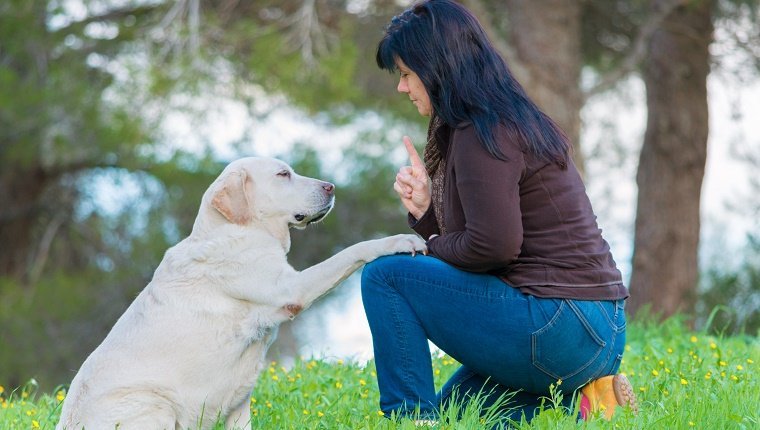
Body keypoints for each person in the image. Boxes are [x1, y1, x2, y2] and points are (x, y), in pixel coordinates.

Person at [360, 0, 638, 424]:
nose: (402, 88)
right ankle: (590, 400)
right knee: (459, 413)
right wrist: (427, 214)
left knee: (385, 276)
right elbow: (486, 242)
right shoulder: (504, 119)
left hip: (561, 322)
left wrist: (430, 241)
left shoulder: (483, 132)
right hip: (596, 328)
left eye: (406, 74)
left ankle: (409, 420)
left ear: (436, 69)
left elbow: (493, 247)